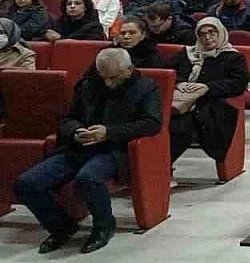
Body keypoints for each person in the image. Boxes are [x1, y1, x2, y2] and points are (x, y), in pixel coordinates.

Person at [15, 48, 161, 254]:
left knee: (88, 178)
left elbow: (151, 123)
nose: (108, 83)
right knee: (27, 183)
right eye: (104, 77)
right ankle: (62, 227)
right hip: (78, 147)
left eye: (114, 77)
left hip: (114, 149)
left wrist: (108, 132)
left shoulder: (146, 87)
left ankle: (103, 226)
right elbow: (66, 119)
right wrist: (75, 131)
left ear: (129, 70)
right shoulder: (88, 85)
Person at [168, 19, 249, 164]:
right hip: (179, 100)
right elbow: (169, 71)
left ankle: (163, 166)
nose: (207, 37)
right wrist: (179, 82)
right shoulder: (187, 53)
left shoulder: (233, 57)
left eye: (212, 33)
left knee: (180, 128)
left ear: (221, 33)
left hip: (209, 104)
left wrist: (207, 87)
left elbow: (238, 84)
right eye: (202, 34)